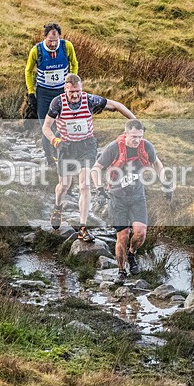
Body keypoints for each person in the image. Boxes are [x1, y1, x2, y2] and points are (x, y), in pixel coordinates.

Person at [42, 74, 135, 242]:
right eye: (71, 93)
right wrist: (55, 141)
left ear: (81, 89)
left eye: (77, 91)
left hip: (87, 146)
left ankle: (82, 228)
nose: (75, 95)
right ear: (65, 90)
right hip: (67, 147)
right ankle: (57, 208)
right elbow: (46, 127)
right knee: (64, 185)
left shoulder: (89, 100)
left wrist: (135, 122)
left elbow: (116, 105)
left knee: (85, 185)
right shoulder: (57, 103)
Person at [91, 120, 169, 284]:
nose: (137, 140)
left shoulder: (146, 146)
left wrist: (165, 184)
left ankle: (132, 253)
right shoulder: (114, 148)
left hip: (137, 196)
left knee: (140, 233)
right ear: (126, 134)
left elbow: (156, 163)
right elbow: (96, 168)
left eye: (140, 137)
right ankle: (121, 271)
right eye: (134, 137)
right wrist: (99, 189)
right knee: (123, 236)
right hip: (117, 198)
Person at [25, 23, 79, 165]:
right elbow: (28, 71)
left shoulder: (66, 46)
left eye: (56, 40)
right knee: (46, 126)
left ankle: (61, 154)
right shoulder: (36, 50)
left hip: (62, 91)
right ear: (44, 37)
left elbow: (74, 63)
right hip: (44, 93)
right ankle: (49, 159)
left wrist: (72, 83)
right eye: (50, 41)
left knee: (63, 124)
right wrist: (31, 92)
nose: (54, 44)